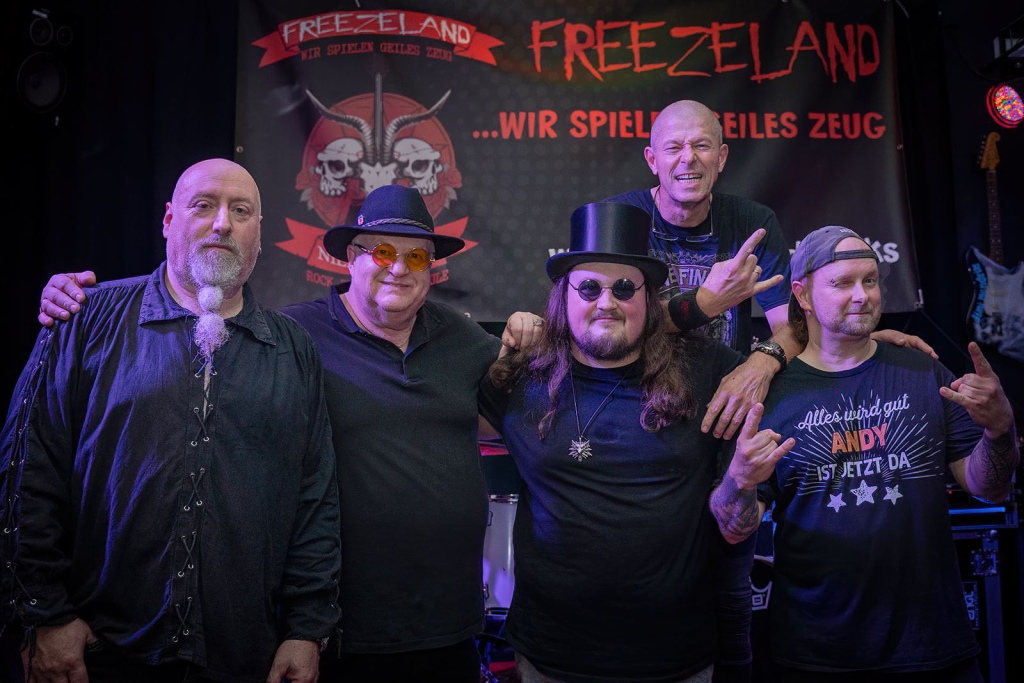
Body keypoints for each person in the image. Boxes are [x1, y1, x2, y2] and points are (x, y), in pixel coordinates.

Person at [34, 183, 542, 683]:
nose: (399, 268)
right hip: (339, 632)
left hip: (448, 628)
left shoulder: (464, 339)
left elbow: (526, 416)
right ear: (351, 258)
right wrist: (77, 300)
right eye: (384, 252)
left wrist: (537, 336)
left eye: (416, 257)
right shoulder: (289, 340)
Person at [605, 99, 934, 683]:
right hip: (636, 429)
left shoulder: (750, 220)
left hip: (724, 427)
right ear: (652, 159)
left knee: (732, 604)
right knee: (635, 596)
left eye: (702, 145)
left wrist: (765, 357)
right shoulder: (620, 218)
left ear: (723, 156)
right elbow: (610, 331)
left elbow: (792, 325)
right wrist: (706, 303)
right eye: (674, 147)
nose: (688, 159)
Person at [0, 158, 342, 683]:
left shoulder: (293, 350)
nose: (222, 223)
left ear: (258, 232)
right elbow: (27, 472)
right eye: (203, 205)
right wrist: (44, 615)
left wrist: (307, 628)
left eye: (241, 211)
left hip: (245, 658)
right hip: (99, 654)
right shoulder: (84, 318)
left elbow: (315, 498)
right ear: (168, 220)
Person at [479, 201, 795, 682]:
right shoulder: (520, 374)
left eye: (625, 288)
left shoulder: (711, 372)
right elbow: (442, 417)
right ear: (563, 298)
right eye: (589, 287)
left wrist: (741, 482)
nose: (606, 302)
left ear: (650, 300)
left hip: (675, 662)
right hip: (549, 659)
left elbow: (736, 528)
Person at [712, 225, 1020, 682]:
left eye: (870, 280)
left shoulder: (923, 370)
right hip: (817, 656)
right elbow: (734, 528)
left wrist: (999, 430)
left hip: (937, 647)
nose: (862, 295)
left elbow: (988, 487)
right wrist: (739, 479)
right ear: (803, 295)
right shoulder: (771, 397)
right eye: (842, 283)